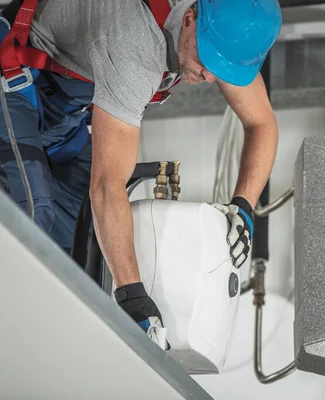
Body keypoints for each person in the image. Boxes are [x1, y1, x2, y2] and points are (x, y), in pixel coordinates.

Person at [0, 0, 281, 338]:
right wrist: (132, 296)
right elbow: (107, 185)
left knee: (85, 230)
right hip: (12, 71)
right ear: (189, 18)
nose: (209, 78)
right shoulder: (135, 41)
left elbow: (261, 122)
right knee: (31, 211)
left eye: (223, 71)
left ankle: (43, 333)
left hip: (64, 106)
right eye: (208, 62)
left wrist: (245, 208)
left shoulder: (224, 33)